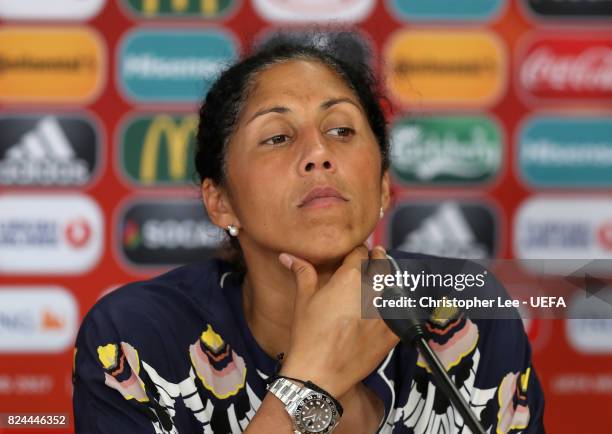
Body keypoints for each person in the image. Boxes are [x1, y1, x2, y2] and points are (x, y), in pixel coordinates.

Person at [72, 41, 545, 433]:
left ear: (382, 185)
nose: (318, 153)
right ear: (221, 202)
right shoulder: (135, 340)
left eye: (341, 130)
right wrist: (309, 381)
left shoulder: (463, 314)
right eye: (277, 137)